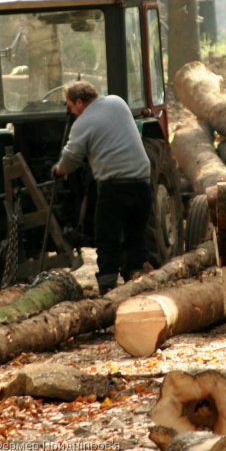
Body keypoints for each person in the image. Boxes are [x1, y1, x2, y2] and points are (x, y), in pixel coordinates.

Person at [52, 80, 152, 295]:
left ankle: (108, 290)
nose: (71, 111)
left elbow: (71, 159)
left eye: (70, 106)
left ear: (79, 102)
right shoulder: (117, 102)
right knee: (135, 238)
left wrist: (57, 171)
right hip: (143, 182)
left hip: (114, 187)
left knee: (107, 240)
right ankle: (139, 282)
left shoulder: (82, 123)